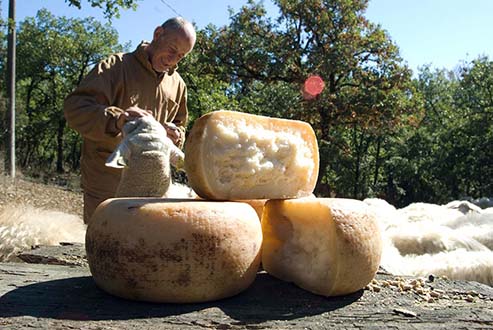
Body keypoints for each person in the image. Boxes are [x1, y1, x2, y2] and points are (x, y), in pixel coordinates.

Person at [64, 17, 196, 224]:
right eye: (172, 49)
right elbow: (76, 108)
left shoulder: (178, 85)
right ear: (158, 34)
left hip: (152, 185)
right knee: (104, 242)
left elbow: (180, 124)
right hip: (107, 182)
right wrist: (118, 120)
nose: (173, 60)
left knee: (145, 245)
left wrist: (175, 135)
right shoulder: (115, 67)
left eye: (181, 56)